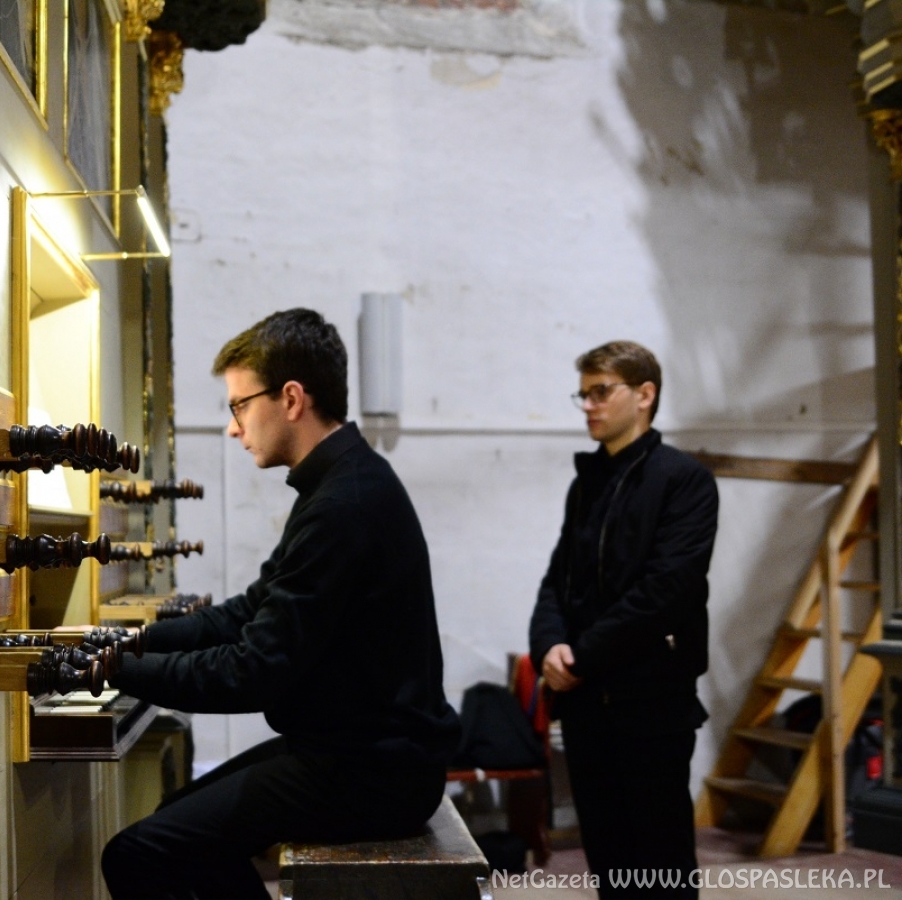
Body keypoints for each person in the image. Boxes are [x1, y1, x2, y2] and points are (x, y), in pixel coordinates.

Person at [102, 308, 460, 900]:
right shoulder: (339, 483)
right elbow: (248, 612)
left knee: (139, 852)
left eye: (239, 406)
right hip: (355, 750)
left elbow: (253, 672)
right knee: (173, 825)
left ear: (291, 399)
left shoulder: (343, 504)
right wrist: (127, 642)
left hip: (375, 769)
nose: (232, 428)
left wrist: (110, 669)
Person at [529, 340, 718, 899]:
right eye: (583, 395)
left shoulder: (683, 480)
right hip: (588, 705)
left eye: (600, 392)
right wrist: (549, 646)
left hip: (651, 704)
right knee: (610, 864)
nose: (588, 405)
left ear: (644, 394)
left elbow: (664, 591)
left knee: (659, 865)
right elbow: (557, 580)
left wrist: (580, 656)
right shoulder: (586, 483)